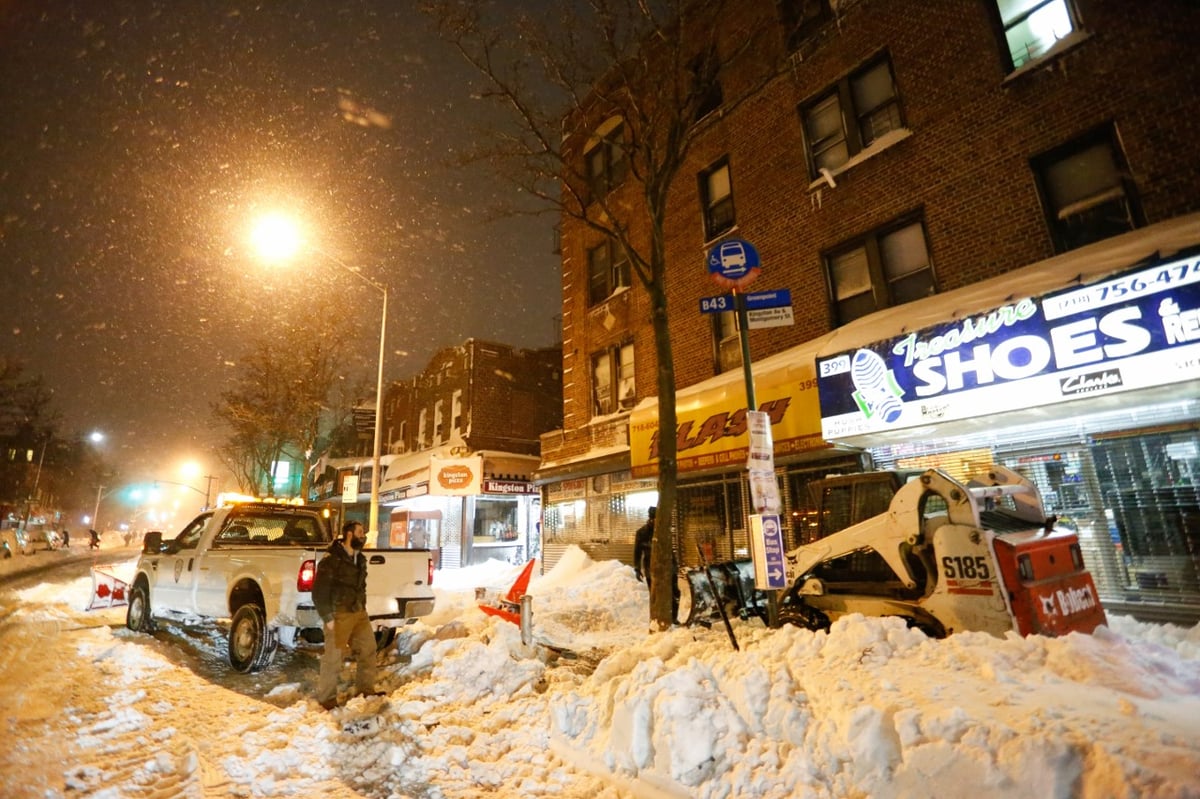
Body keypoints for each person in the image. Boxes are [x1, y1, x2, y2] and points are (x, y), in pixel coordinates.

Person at [312, 520, 379, 710]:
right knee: (333, 658)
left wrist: (362, 607)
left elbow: (360, 586)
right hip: (339, 614)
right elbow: (319, 591)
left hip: (359, 613)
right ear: (349, 535)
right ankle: (327, 699)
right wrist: (327, 617)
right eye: (360, 532)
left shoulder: (360, 559)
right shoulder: (332, 560)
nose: (363, 535)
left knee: (368, 649)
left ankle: (366, 690)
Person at [633, 507, 655, 586]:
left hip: (665, 570)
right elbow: (637, 553)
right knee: (654, 594)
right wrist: (637, 569)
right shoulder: (642, 533)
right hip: (650, 569)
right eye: (653, 519)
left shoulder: (663, 532)